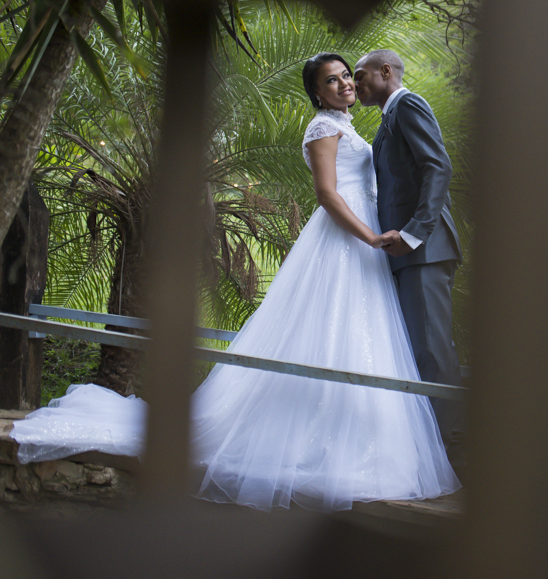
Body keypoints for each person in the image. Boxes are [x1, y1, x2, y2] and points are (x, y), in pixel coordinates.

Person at [11, 53, 460, 512]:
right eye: (334, 79)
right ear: (317, 93)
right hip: (351, 240)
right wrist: (370, 237)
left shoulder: (364, 124)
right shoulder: (323, 129)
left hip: (374, 244)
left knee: (366, 336)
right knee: (334, 330)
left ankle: (368, 438)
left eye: (348, 75)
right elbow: (327, 194)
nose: (345, 83)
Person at [352, 49, 466, 476]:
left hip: (425, 250)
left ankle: (456, 452)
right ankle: (433, 448)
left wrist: (415, 233)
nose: (356, 84)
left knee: (433, 351)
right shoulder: (387, 120)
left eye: (361, 76)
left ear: (386, 72)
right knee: (419, 351)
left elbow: (438, 166)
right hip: (407, 255)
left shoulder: (409, 105)